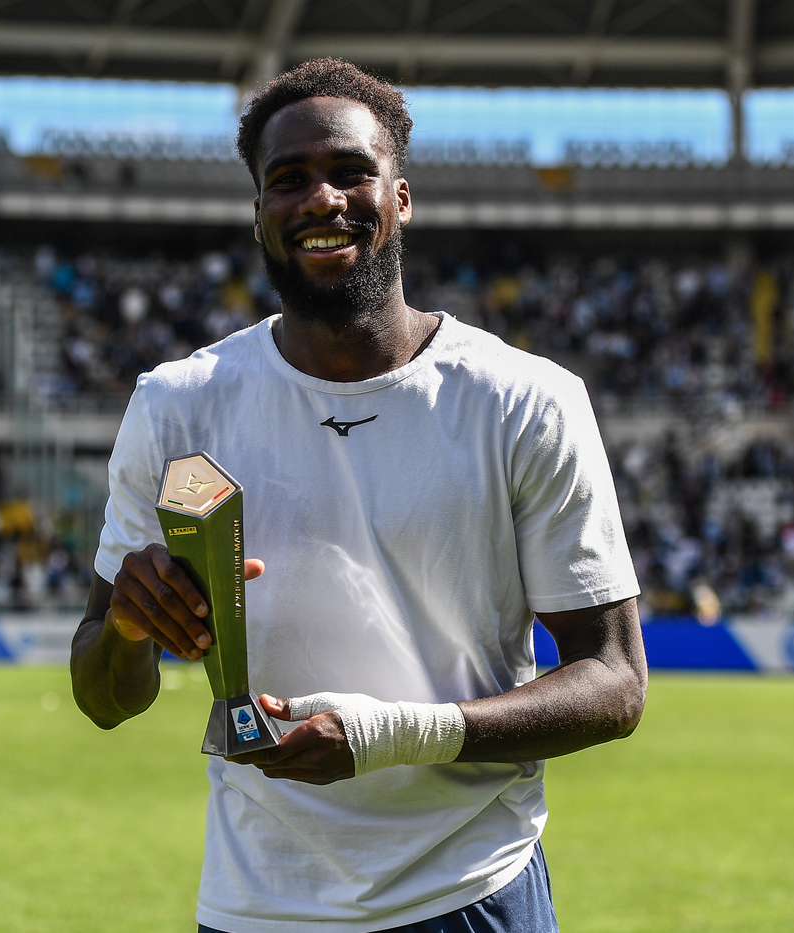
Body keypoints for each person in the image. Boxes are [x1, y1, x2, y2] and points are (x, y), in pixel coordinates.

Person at [70, 59, 646, 933]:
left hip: (469, 892)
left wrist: (393, 733)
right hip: (257, 904)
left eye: (350, 172)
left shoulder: (526, 399)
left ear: (401, 197)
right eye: (288, 180)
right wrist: (125, 627)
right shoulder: (176, 403)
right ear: (259, 214)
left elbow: (613, 681)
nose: (322, 199)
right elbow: (104, 696)